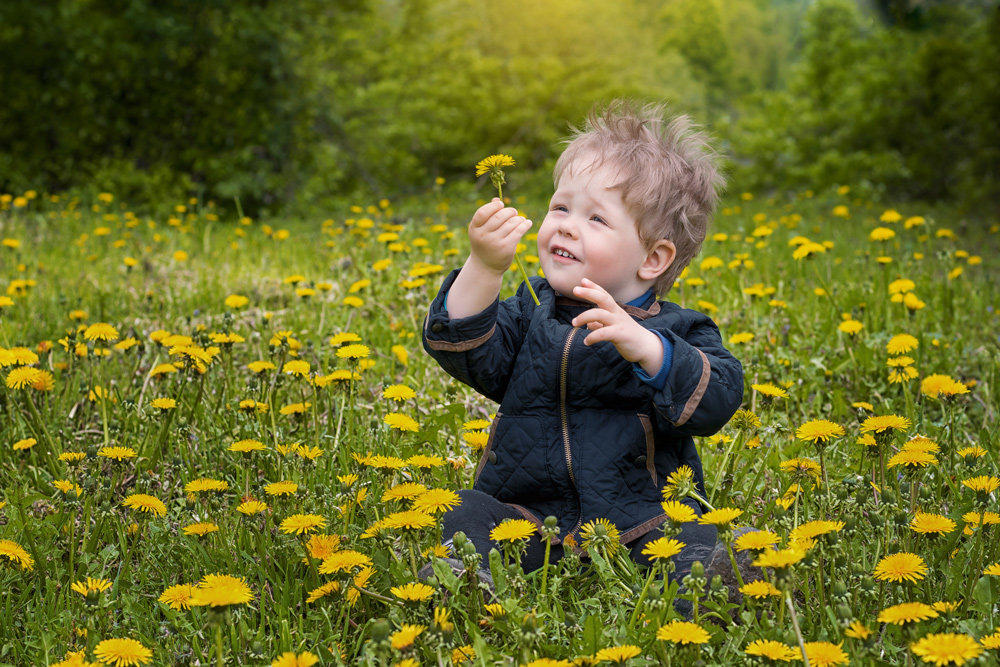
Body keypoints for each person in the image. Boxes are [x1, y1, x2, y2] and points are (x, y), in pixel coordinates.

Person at [421, 100, 744, 586]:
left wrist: (648, 349)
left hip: (644, 523)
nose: (567, 224)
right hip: (526, 516)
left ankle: (711, 585)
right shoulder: (531, 310)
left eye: (597, 219)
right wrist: (484, 268)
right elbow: (465, 349)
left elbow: (717, 398)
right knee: (462, 510)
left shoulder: (678, 331)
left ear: (653, 258)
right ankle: (466, 580)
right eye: (560, 207)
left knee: (694, 546)